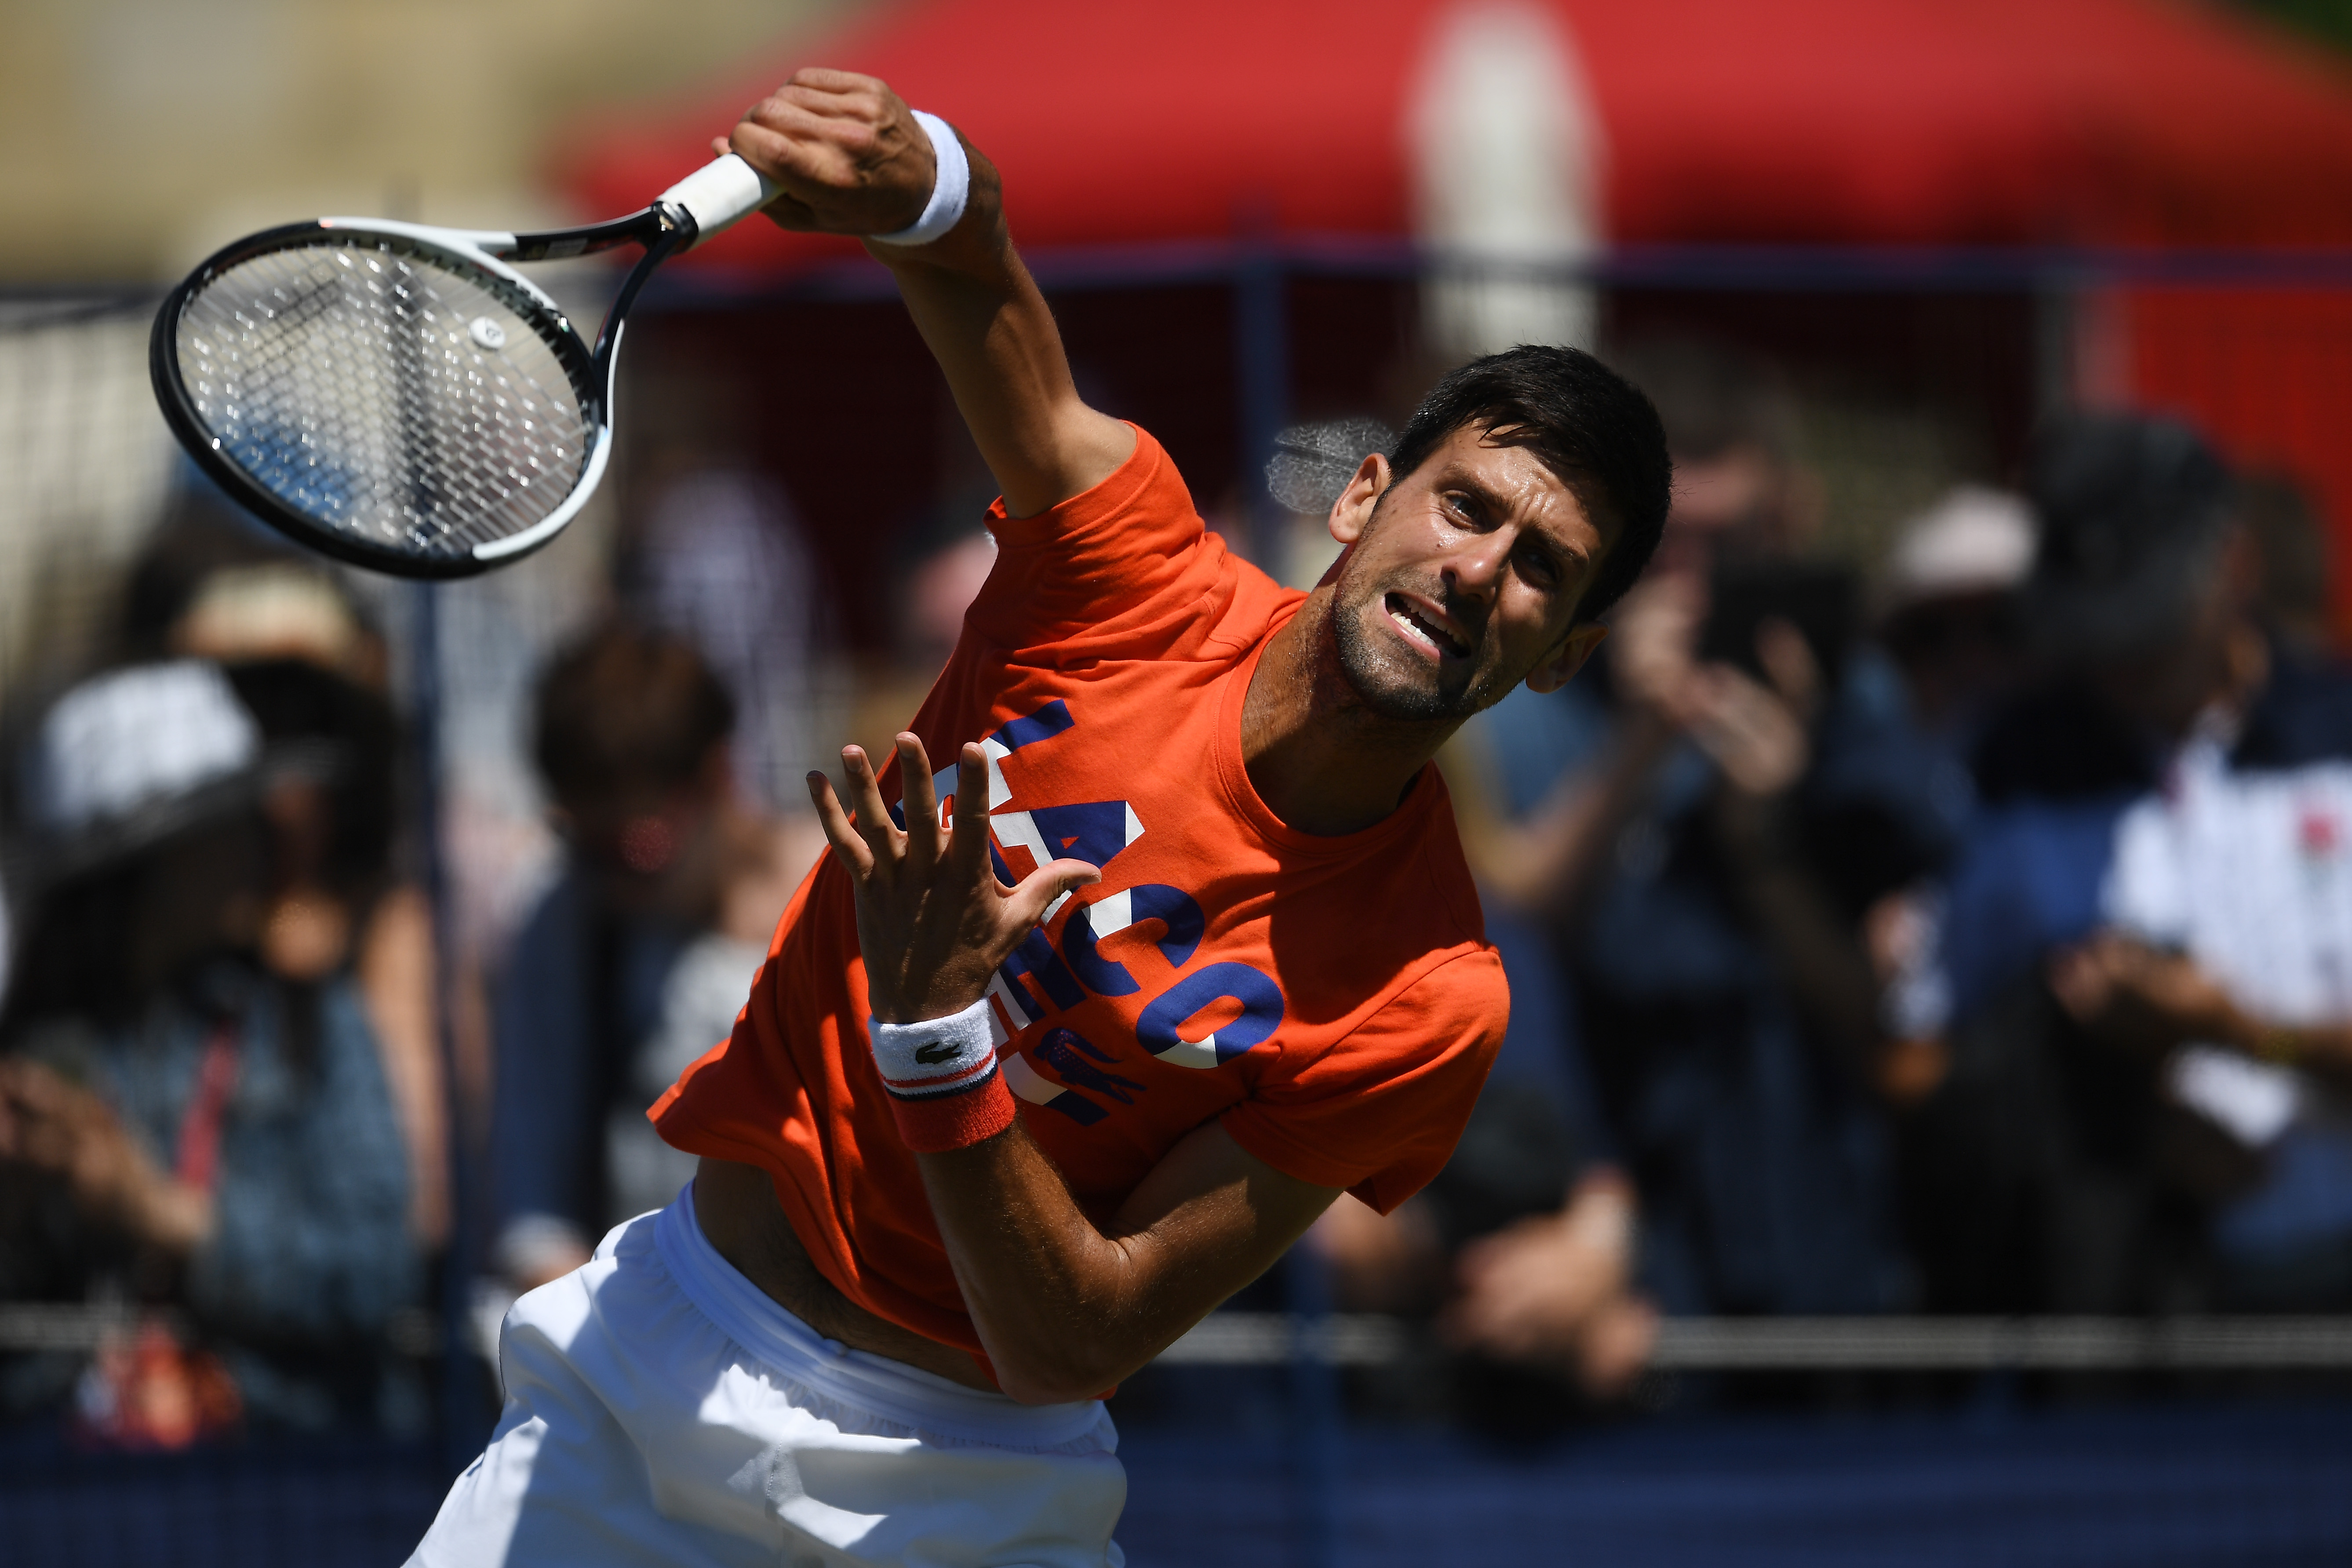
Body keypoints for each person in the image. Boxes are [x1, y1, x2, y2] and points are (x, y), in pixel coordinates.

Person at [408, 68, 1669, 1566]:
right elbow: (973, 272)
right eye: (1467, 506)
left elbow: (1080, 1333)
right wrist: (923, 170)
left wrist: (936, 1030)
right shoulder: (1133, 564)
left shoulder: (1430, 995)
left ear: (1566, 653)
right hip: (654, 1355)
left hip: (968, 1491)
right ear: (1363, 500)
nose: (1481, 570)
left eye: (1544, 567)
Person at [1890, 413, 2352, 1314]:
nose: (2117, 658)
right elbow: (1917, 1052)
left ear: (2234, 564)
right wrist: (2120, 1113)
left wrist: (2237, 1033)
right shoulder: (2011, 766)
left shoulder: (2334, 744)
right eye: (2091, 625)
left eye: (2146, 618)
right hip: (2120, 1312)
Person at [0, 661, 421, 1442]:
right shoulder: (34, 1056)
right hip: (71, 1503)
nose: (258, 845)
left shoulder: (315, 1026)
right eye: (223, 824)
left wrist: (170, 1222)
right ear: (141, 868)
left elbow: (379, 1273)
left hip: (289, 1484)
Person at [485, 623, 806, 1299]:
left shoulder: (829, 899)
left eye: (634, 848)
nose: (606, 877)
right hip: (641, 1332)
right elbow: (533, 1184)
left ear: (717, 777)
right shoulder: (567, 919)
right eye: (582, 842)